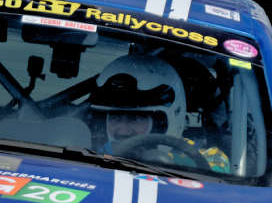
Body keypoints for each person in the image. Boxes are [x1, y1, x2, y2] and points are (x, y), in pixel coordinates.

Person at [87, 53, 229, 172]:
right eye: (115, 117)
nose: (123, 130)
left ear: (161, 123)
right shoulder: (93, 152)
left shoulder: (208, 157)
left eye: (136, 118)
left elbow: (218, 170)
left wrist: (163, 162)